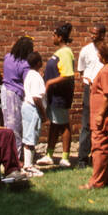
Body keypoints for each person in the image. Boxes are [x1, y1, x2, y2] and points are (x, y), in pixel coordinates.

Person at [82, 38, 108, 190]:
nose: (97, 54)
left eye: (99, 52)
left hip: (104, 118)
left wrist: (100, 114)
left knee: (99, 149)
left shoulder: (106, 71)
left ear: (103, 55)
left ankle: (96, 182)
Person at [37, 23, 76, 167]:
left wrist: (49, 83)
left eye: (54, 35)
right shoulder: (59, 52)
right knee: (54, 124)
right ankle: (49, 155)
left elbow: (67, 75)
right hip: (54, 95)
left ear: (60, 37)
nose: (52, 38)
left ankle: (65, 158)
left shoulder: (65, 52)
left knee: (64, 125)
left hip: (61, 95)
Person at [76, 24, 108, 167]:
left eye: (96, 33)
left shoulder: (107, 50)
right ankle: (82, 158)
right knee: (86, 124)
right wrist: (87, 81)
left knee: (104, 123)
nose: (93, 36)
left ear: (103, 35)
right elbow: (81, 71)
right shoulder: (85, 51)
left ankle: (100, 156)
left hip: (104, 90)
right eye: (92, 33)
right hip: (90, 89)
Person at [2, 35, 35, 144]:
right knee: (15, 125)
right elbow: (27, 82)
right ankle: (16, 154)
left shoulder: (7, 57)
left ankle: (7, 151)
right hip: (15, 94)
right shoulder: (25, 65)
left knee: (6, 122)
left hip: (3, 91)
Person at [21, 50, 46, 177]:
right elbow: (37, 98)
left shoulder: (30, 74)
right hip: (32, 108)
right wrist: (43, 113)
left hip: (27, 107)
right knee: (30, 137)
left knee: (29, 135)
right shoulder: (36, 77)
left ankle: (29, 163)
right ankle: (28, 166)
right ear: (38, 63)